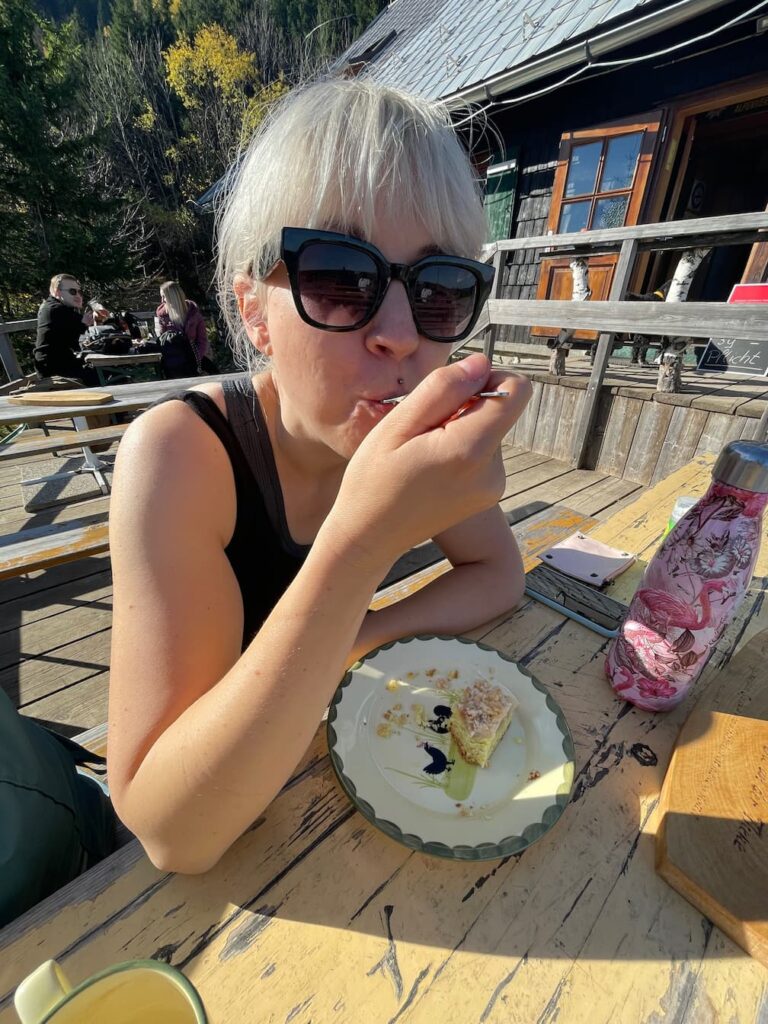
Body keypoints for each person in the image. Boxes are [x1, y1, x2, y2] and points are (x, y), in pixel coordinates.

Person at [108, 78, 533, 875]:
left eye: (438, 288)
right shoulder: (178, 453)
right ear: (255, 313)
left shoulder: (410, 435)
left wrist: (354, 637)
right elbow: (172, 832)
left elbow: (499, 572)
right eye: (341, 277)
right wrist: (362, 543)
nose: (401, 337)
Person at [34, 275, 104, 383]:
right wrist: (88, 321)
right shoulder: (57, 309)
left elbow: (75, 339)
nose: (78, 296)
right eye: (72, 291)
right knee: (109, 375)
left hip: (57, 365)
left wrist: (88, 322)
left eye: (79, 292)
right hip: (55, 372)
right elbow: (82, 331)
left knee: (104, 372)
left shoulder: (52, 306)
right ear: (57, 292)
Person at [155, 281, 210, 364]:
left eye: (164, 296)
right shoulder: (163, 317)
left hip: (196, 357)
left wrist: (196, 359)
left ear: (173, 297)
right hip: (174, 359)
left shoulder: (194, 314)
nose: (162, 300)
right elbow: (162, 341)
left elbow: (202, 341)